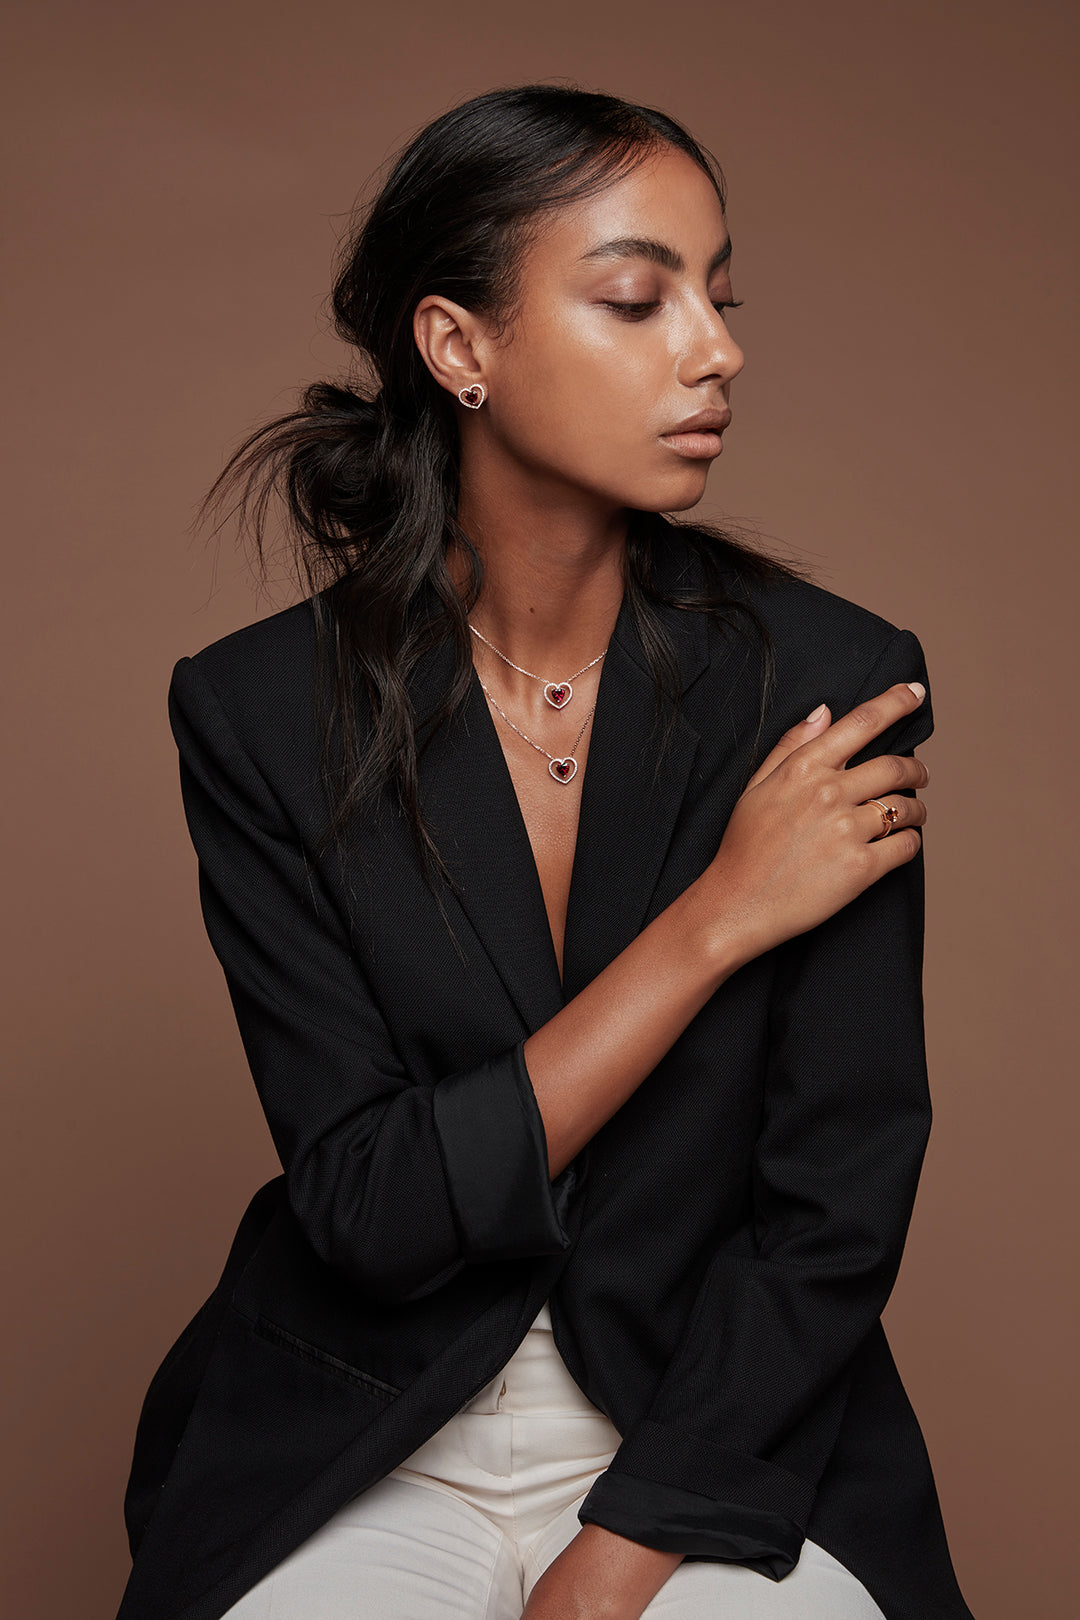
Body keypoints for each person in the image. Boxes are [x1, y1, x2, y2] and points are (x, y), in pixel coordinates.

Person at [117, 84, 974, 1620]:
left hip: (718, 1433)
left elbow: (837, 1207)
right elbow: (371, 1210)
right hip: (369, 1431)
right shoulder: (260, 714)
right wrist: (717, 920)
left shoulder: (828, 685)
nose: (716, 350)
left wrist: (622, 1555)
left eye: (719, 299)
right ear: (460, 347)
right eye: (639, 300)